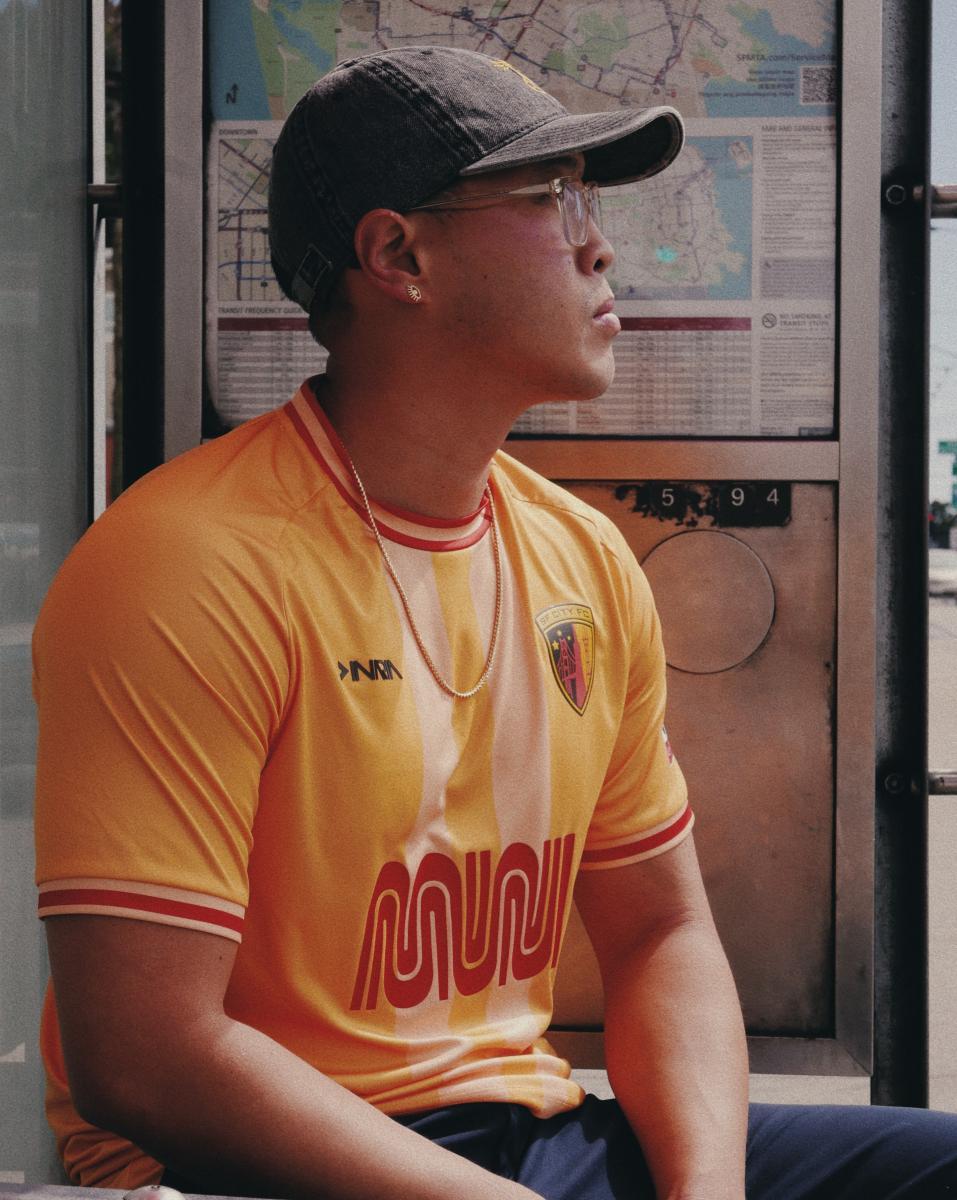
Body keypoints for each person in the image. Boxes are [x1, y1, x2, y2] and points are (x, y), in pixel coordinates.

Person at [33, 45, 957, 1200]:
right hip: (256, 1165)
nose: (598, 243)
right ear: (397, 256)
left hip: (523, 1135)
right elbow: (147, 1056)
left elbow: (661, 935)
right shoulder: (189, 562)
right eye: (552, 197)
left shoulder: (582, 560)